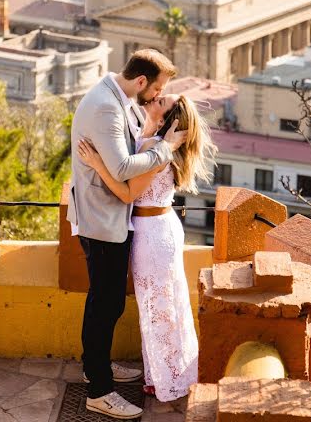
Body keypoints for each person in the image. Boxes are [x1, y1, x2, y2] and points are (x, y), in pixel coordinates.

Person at [68, 49, 187, 419]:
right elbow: (121, 168)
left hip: (106, 218)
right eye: (158, 88)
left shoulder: (115, 97)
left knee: (105, 301)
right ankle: (99, 390)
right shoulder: (107, 106)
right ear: (141, 82)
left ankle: (95, 364)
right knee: (106, 305)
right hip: (103, 221)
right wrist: (166, 149)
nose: (156, 95)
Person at [77, 93, 216, 404]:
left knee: (157, 308)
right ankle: (166, 374)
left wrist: (97, 163)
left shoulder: (157, 149)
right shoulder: (154, 141)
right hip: (161, 227)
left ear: (168, 119)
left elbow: (128, 195)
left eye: (161, 101)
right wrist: (151, 125)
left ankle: (166, 380)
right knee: (166, 305)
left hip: (151, 233)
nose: (155, 97)